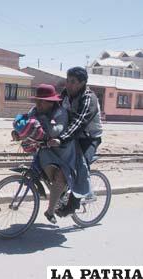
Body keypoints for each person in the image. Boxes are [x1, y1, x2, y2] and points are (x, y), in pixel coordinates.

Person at [13, 84, 76, 224]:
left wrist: (43, 121)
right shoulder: (35, 110)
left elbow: (56, 131)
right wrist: (18, 133)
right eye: (37, 100)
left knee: (59, 177)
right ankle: (57, 191)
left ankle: (51, 211)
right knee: (43, 168)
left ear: (51, 101)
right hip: (46, 148)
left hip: (63, 150)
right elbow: (26, 124)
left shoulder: (60, 113)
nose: (38, 104)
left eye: (42, 101)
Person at [49, 67, 103, 217]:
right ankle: (61, 188)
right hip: (71, 135)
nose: (68, 84)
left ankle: (73, 205)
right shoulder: (66, 95)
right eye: (67, 80)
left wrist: (61, 139)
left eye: (72, 82)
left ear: (82, 83)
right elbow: (53, 110)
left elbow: (79, 122)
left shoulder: (89, 98)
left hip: (89, 138)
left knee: (79, 164)